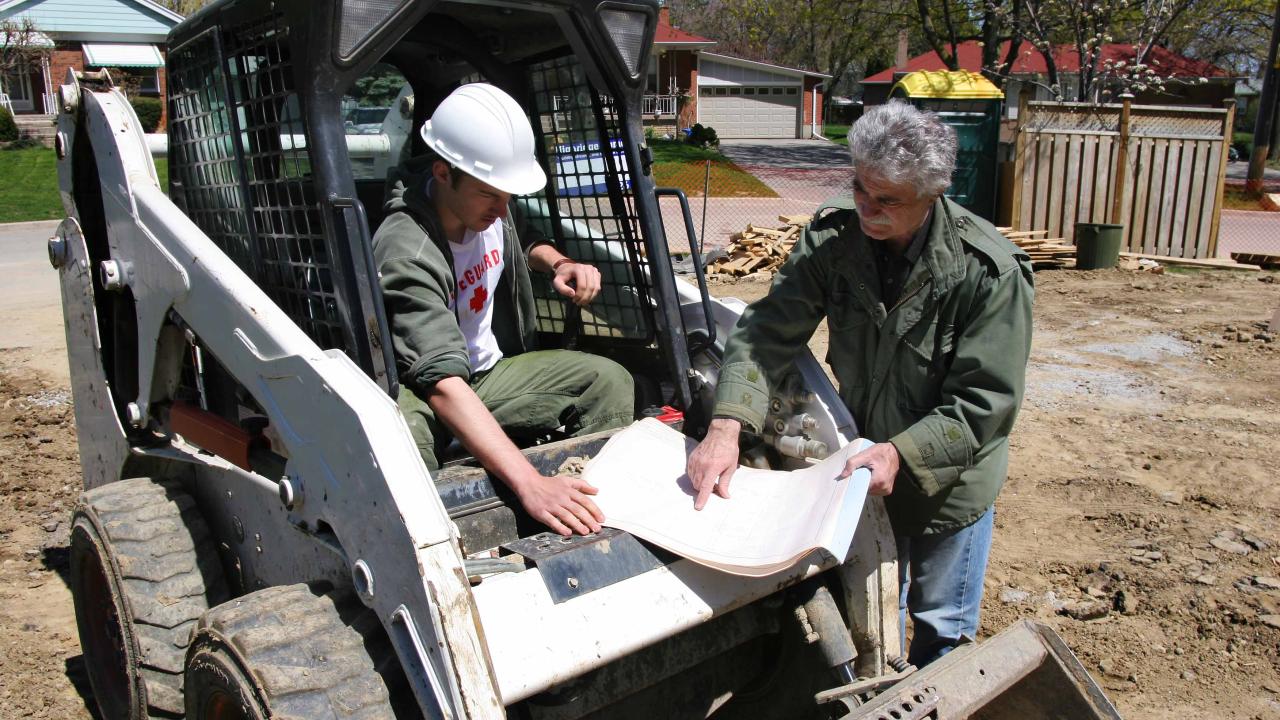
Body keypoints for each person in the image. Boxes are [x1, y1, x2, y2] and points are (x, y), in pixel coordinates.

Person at [686, 101, 1034, 666]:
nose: (867, 207)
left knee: (941, 626)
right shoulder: (835, 240)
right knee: (872, 618)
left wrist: (902, 451)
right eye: (860, 188)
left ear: (931, 195)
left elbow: (984, 403)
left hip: (949, 482)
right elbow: (766, 334)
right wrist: (728, 424)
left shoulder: (988, 272)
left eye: (887, 200)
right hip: (859, 467)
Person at [373, 83, 634, 536]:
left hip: (489, 373)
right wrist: (530, 483)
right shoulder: (406, 249)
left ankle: (584, 508)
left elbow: (524, 237)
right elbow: (439, 382)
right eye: (489, 194)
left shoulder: (486, 207)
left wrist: (559, 262)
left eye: (508, 195)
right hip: (426, 390)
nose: (502, 207)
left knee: (608, 382)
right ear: (442, 172)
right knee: (402, 444)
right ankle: (450, 542)